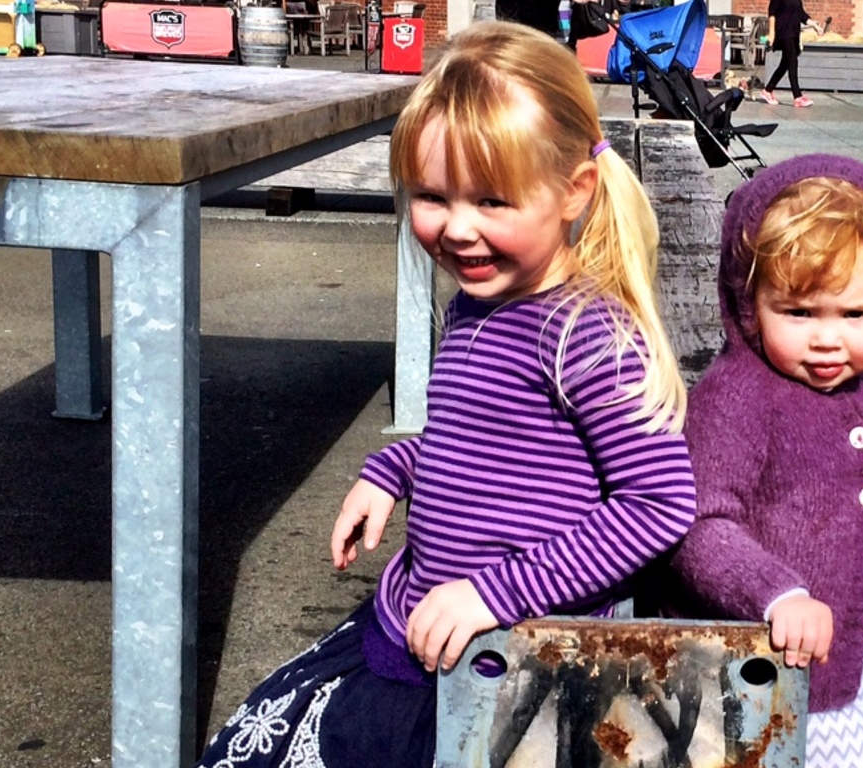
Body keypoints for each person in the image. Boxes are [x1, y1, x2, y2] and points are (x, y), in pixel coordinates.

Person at [195, 21, 697, 768]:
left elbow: (657, 505)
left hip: (516, 661)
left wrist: (496, 594)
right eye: (432, 195)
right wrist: (392, 470)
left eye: (492, 201)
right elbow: (475, 443)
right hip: (428, 623)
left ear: (573, 193)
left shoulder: (587, 336)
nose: (458, 229)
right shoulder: (475, 304)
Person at [666, 154, 863, 768]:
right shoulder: (739, 396)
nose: (827, 339)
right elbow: (697, 524)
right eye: (798, 313)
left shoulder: (857, 389)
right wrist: (776, 593)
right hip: (772, 650)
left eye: (856, 315)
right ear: (749, 303)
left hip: (856, 633)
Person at [760, 0, 814, 107]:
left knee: (785, 64)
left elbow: (801, 14)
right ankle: (797, 97)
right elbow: (772, 13)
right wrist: (771, 34)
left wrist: (814, 25)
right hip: (783, 33)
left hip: (794, 34)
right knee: (792, 62)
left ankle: (768, 90)